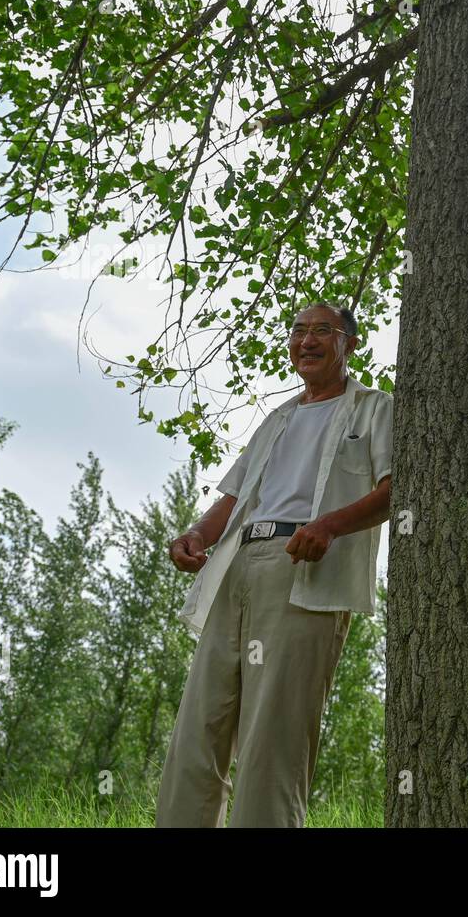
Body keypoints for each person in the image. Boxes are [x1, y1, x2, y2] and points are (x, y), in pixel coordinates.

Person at [156, 302, 392, 827]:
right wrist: (195, 535)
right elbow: (235, 499)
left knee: (272, 738)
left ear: (349, 345)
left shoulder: (375, 408)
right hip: (238, 566)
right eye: (299, 332)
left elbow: (396, 489)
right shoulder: (278, 419)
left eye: (323, 332)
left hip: (304, 570)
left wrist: (329, 526)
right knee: (199, 727)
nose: (307, 341)